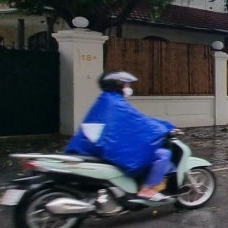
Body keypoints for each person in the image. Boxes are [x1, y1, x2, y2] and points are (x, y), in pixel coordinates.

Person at [65, 71, 178, 201]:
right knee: (163, 154)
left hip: (91, 147)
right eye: (127, 85)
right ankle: (147, 190)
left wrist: (164, 124)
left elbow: (137, 120)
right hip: (102, 149)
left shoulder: (106, 100)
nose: (129, 88)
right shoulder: (116, 103)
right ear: (118, 85)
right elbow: (140, 122)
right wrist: (165, 128)